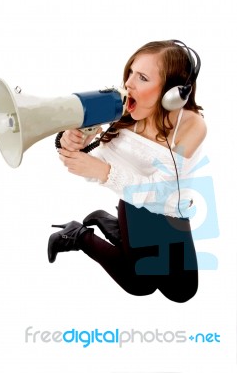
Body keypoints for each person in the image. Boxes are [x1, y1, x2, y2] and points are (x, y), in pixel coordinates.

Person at [48, 40, 207, 303]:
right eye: (130, 72)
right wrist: (71, 143)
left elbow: (161, 190)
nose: (129, 84)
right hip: (135, 206)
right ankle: (78, 235)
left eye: (142, 77)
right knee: (139, 284)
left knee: (181, 292)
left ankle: (108, 224)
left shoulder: (191, 125)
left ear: (173, 92)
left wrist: (106, 172)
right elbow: (89, 167)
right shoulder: (121, 117)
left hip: (169, 209)